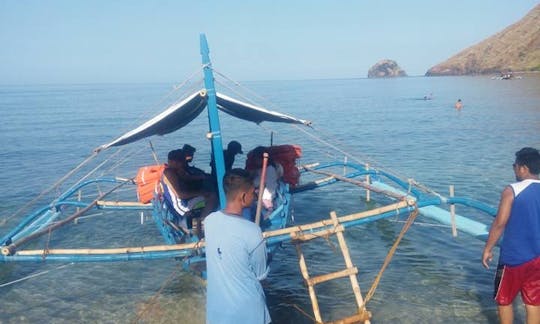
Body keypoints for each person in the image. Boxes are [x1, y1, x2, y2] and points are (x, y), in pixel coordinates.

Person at [482, 147, 540, 324]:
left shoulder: (512, 190)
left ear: (523, 168)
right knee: (534, 302)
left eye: (514, 165)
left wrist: (488, 248)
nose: (514, 169)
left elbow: (500, 223)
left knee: (504, 300)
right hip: (538, 257)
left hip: (514, 258)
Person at [205, 169, 271, 324]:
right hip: (250, 314)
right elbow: (260, 276)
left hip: (217, 314)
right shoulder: (253, 232)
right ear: (243, 196)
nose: (255, 196)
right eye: (253, 192)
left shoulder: (209, 222)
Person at [162, 149, 217, 232]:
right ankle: (201, 223)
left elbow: (186, 178)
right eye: (182, 162)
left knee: (205, 192)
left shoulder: (174, 170)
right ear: (174, 162)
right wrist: (201, 193)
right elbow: (181, 195)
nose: (184, 164)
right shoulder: (169, 173)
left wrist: (202, 177)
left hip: (183, 200)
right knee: (212, 197)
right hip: (181, 206)